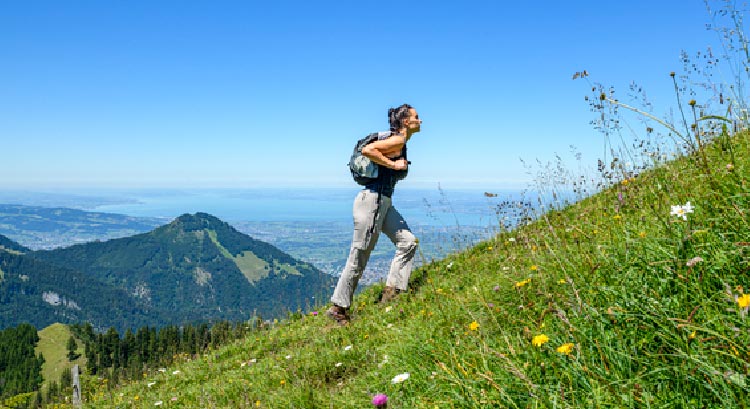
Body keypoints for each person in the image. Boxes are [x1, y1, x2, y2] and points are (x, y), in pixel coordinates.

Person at [327, 104, 422, 325]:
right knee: (359, 255)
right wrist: (394, 165)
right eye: (417, 117)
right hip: (372, 202)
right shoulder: (397, 140)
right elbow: (367, 151)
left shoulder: (401, 142)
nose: (421, 121)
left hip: (382, 202)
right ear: (406, 122)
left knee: (407, 242)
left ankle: (393, 293)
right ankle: (338, 308)